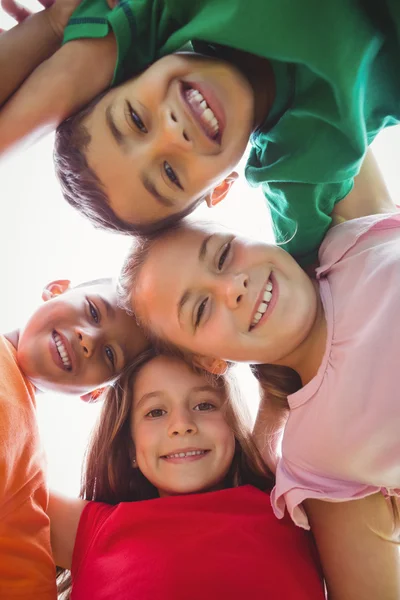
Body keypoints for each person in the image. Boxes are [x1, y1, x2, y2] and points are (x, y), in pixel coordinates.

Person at [116, 151, 400, 596]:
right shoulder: (316, 456)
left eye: (225, 254)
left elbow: (319, 92)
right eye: (202, 309)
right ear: (212, 362)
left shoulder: (350, 236)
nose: (233, 287)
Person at [1, 1, 400, 265]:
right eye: (170, 174)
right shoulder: (301, 168)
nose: (172, 135)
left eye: (137, 121)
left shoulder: (175, 11)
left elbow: (70, 71)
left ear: (137, 66)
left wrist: (52, 26)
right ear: (219, 189)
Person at [49, 352, 325, 599]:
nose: (181, 425)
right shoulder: (91, 529)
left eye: (204, 405)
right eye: (155, 412)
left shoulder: (293, 506)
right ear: (130, 447)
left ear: (233, 427)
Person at [0, 277, 148, 598]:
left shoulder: (28, 465)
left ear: (94, 394)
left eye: (109, 355)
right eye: (93, 311)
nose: (88, 340)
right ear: (56, 289)